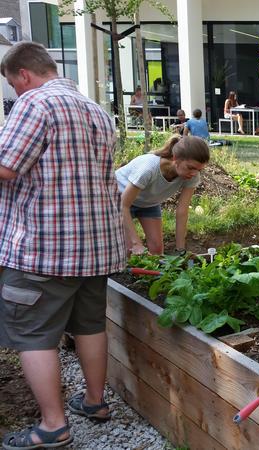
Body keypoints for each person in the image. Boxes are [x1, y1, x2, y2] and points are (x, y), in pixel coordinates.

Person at [0, 42, 126, 449]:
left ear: (22, 75)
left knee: (34, 334)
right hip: (95, 247)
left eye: (12, 84)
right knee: (90, 325)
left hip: (43, 247)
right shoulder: (96, 111)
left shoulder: (35, 104)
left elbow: (7, 166)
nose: (16, 92)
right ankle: (95, 402)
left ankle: (53, 425)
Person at [116, 135, 210, 255]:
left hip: (148, 203)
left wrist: (180, 250)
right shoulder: (149, 168)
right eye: (190, 167)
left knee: (156, 250)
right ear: (175, 158)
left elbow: (182, 211)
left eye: (199, 170)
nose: (194, 173)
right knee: (129, 249)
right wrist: (136, 243)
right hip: (118, 199)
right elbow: (123, 205)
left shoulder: (192, 175)